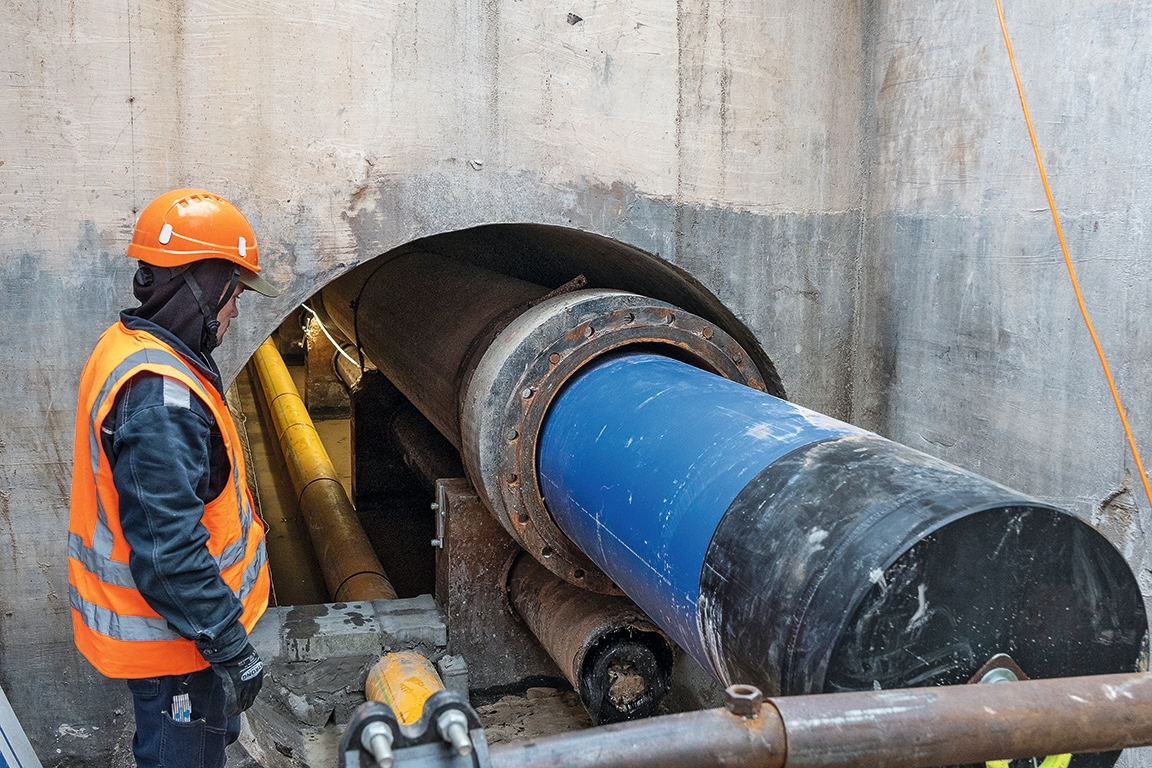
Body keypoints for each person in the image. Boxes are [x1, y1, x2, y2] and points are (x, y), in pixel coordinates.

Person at [67, 189, 279, 768]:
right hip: (178, 651)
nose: (235, 312)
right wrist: (230, 646)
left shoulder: (129, 347)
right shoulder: (162, 399)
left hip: (182, 638)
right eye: (234, 294)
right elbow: (168, 552)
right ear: (203, 289)